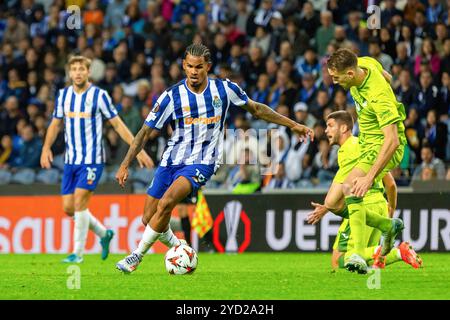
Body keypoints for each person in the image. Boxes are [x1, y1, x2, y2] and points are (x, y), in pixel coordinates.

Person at [115, 43, 313, 273]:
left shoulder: (224, 89)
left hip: (203, 160)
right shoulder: (171, 96)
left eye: (199, 67)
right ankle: (180, 246)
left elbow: (257, 110)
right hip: (172, 159)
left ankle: (136, 256)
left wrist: (293, 124)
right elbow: (145, 132)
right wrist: (125, 163)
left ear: (208, 67)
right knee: (148, 217)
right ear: (183, 66)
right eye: (189, 66)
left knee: (168, 201)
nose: (194, 71)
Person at [40, 55, 153, 263]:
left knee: (80, 202)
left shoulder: (99, 96)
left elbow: (117, 124)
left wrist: (138, 150)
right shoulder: (63, 96)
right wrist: (46, 147)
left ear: (88, 72)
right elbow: (55, 124)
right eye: (73, 69)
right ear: (69, 73)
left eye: (81, 69)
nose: (78, 72)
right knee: (68, 208)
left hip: (92, 160)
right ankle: (104, 234)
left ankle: (77, 254)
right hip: (71, 160)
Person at [307, 111, 422, 271]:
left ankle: (398, 252)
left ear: (344, 128)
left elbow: (337, 196)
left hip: (361, 205)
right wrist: (391, 208)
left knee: (340, 260)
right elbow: (390, 184)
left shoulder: (347, 150)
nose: (326, 130)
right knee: (360, 260)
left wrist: (328, 206)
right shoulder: (364, 147)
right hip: (380, 206)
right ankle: (395, 248)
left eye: (330, 126)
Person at [327, 48, 407, 273]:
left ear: (351, 74)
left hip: (382, 145)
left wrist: (370, 177)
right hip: (365, 143)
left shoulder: (378, 95)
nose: (334, 82)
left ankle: (358, 253)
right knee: (333, 203)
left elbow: (392, 141)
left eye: (337, 78)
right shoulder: (363, 62)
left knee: (352, 188)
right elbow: (387, 76)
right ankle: (386, 226)